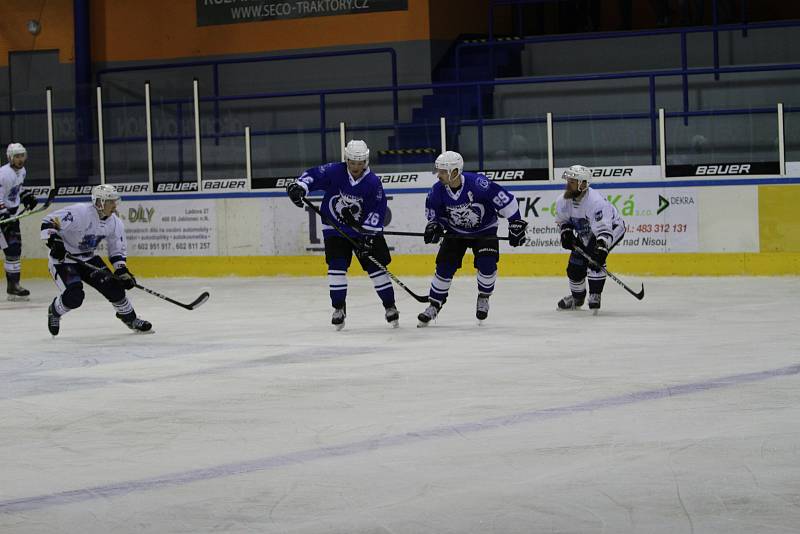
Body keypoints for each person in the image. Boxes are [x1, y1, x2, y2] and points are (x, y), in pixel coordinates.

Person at [286, 140, 398, 330]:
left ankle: (390, 306)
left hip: (364, 231)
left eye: (360, 162)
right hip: (335, 228)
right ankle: (338, 308)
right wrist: (300, 187)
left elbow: (377, 211)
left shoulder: (373, 182)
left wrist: (369, 237)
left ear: (366, 161)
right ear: (346, 159)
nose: (356, 167)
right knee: (336, 266)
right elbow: (313, 176)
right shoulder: (335, 171)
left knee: (376, 268)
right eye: (352, 162)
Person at [417, 151, 528, 327]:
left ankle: (483, 296)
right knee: (444, 266)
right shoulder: (437, 191)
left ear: (455, 171)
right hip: (455, 232)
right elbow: (435, 215)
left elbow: (507, 201)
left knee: (487, 264)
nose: (439, 175)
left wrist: (516, 223)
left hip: (485, 230)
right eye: (438, 170)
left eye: (443, 171)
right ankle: (434, 305)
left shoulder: (478, 184)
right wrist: (435, 226)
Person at [41, 184, 152, 336]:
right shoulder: (80, 212)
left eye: (115, 201)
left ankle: (130, 319)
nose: (114, 205)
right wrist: (54, 241)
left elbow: (116, 249)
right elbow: (48, 222)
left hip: (88, 258)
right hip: (64, 259)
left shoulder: (115, 222)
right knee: (74, 297)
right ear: (99, 203)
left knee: (115, 287)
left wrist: (122, 270)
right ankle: (54, 310)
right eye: (110, 201)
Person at [555, 164, 626, 313]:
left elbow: (603, 230)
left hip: (611, 228)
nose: (568, 184)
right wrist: (565, 232)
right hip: (586, 232)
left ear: (583, 184)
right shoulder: (562, 200)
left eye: (572, 182)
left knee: (595, 258)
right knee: (574, 267)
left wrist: (602, 248)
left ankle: (595, 294)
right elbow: (563, 221)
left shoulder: (596, 202)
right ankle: (577, 298)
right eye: (568, 181)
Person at [0, 143, 38, 301]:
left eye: (22, 155)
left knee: (14, 250)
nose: (20, 159)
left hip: (11, 217)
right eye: (17, 156)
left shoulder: (22, 171)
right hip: (3, 217)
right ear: (10, 157)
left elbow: (17, 189)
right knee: (12, 249)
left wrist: (26, 197)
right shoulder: (3, 174)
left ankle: (13, 286)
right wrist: (2, 215)